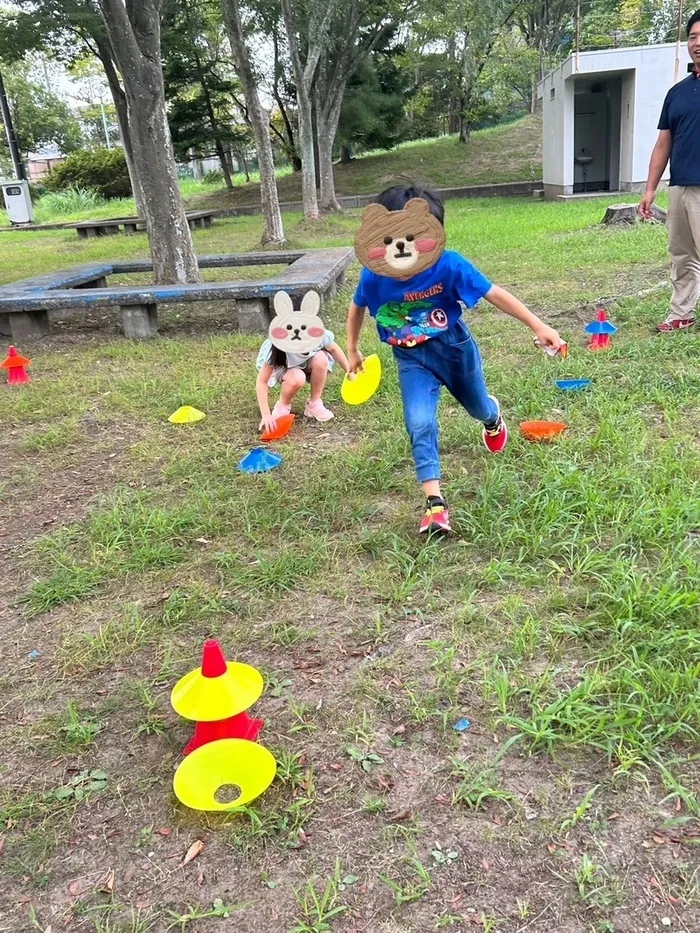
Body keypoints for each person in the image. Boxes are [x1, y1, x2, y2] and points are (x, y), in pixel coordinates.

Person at [347, 185, 564, 536]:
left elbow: (494, 293)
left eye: (414, 237)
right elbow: (357, 306)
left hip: (454, 348)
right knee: (419, 422)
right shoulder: (375, 275)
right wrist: (353, 348)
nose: (403, 248)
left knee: (478, 407)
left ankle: (492, 417)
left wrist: (538, 325)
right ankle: (435, 504)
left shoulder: (449, 265)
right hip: (410, 357)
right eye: (390, 238)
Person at [639, 9, 700, 332]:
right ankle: (682, 313)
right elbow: (664, 143)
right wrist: (651, 189)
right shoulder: (677, 93)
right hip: (680, 186)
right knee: (681, 253)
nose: (697, 43)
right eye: (692, 36)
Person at [257, 289, 351, 432]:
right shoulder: (278, 347)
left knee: (321, 358)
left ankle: (314, 403)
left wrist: (349, 371)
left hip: (306, 363)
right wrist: (266, 414)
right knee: (297, 377)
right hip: (287, 368)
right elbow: (262, 381)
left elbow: (334, 349)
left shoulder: (317, 335)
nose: (298, 332)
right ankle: (283, 405)